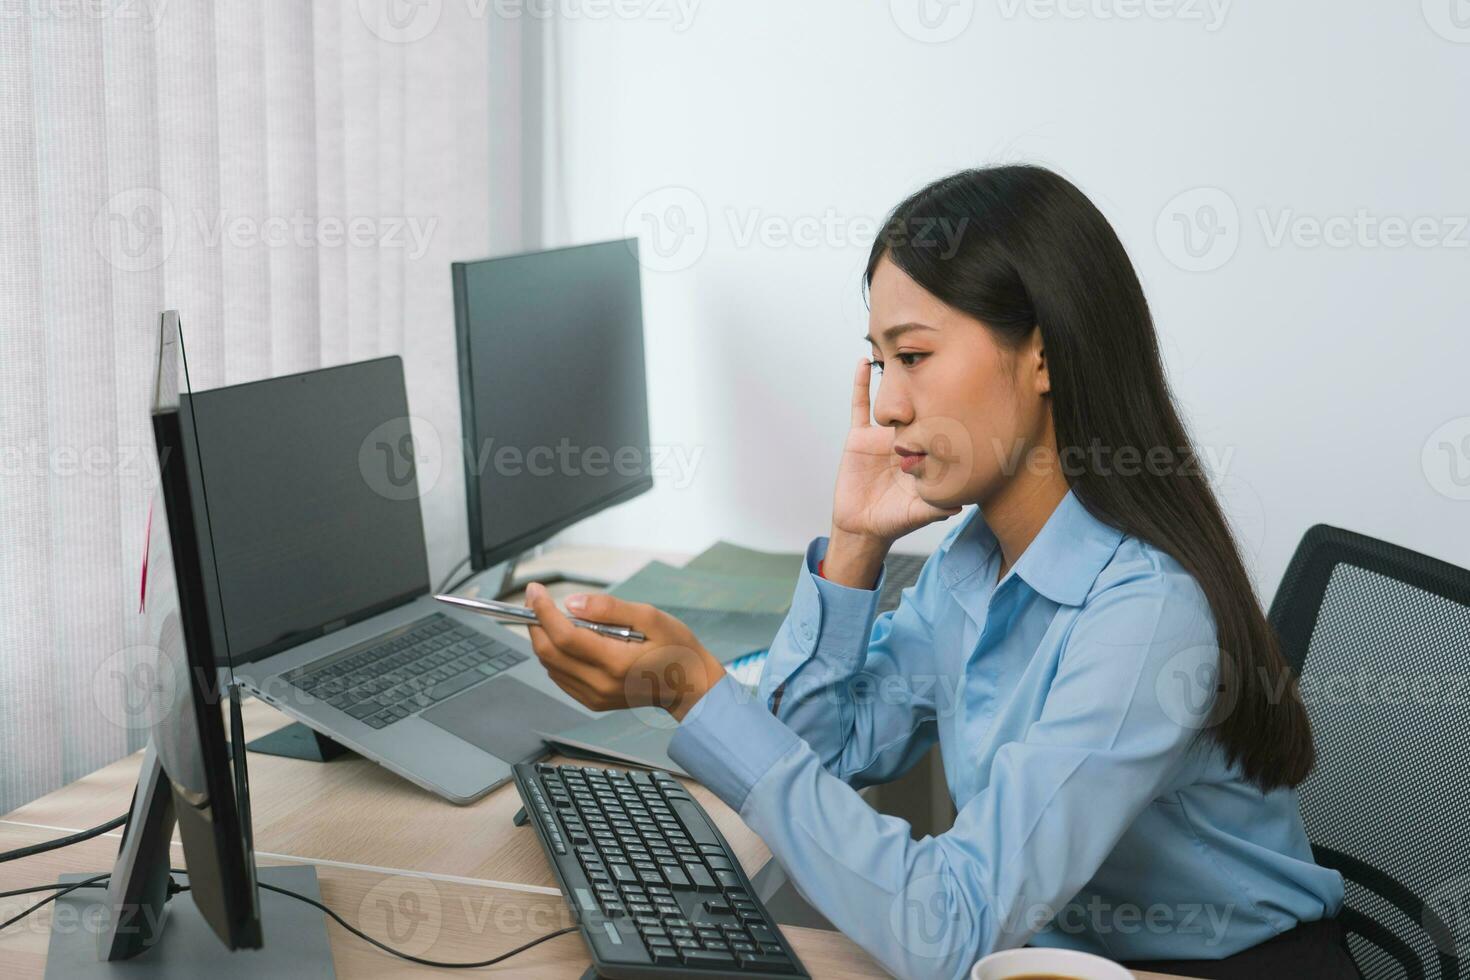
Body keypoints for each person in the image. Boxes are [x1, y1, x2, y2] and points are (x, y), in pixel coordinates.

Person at [522, 164, 1358, 979]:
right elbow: (819, 749)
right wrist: (854, 544)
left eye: (914, 355)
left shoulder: (1145, 613)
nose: (886, 406)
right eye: (880, 362)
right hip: (1066, 950)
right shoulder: (976, 559)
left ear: (1044, 357)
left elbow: (948, 928)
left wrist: (694, 696)